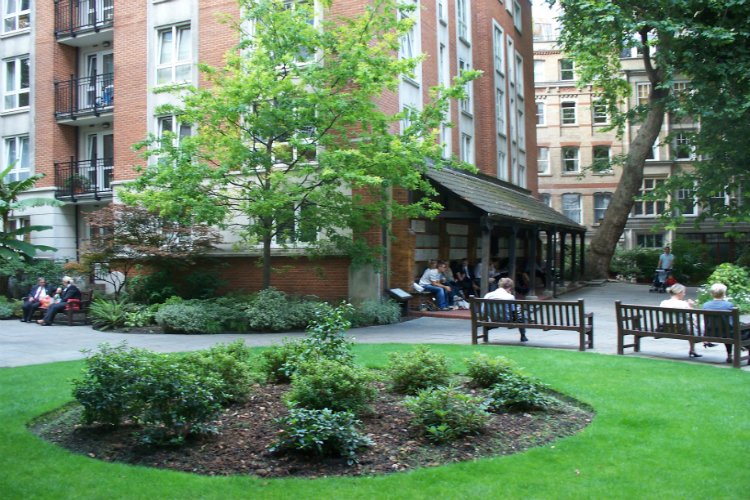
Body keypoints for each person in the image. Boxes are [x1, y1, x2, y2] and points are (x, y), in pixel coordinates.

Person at [701, 283, 750, 364]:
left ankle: (730, 355)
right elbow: (731, 323)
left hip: (711, 333)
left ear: (711, 293)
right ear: (724, 294)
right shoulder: (728, 305)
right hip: (728, 334)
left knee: (727, 330)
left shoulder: (706, 305)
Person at [659, 283, 700, 358]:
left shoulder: (663, 303)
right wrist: (691, 307)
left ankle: (692, 350)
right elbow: (692, 317)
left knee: (690, 326)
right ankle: (693, 349)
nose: (684, 294)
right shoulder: (684, 304)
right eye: (683, 292)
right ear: (679, 293)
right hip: (682, 329)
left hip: (667, 328)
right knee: (694, 326)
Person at [484, 277, 528, 342]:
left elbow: (483, 310)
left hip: (493, 319)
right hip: (506, 320)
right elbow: (514, 311)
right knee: (522, 315)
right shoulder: (509, 297)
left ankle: (491, 327)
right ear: (510, 287)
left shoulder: (488, 295)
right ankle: (523, 336)